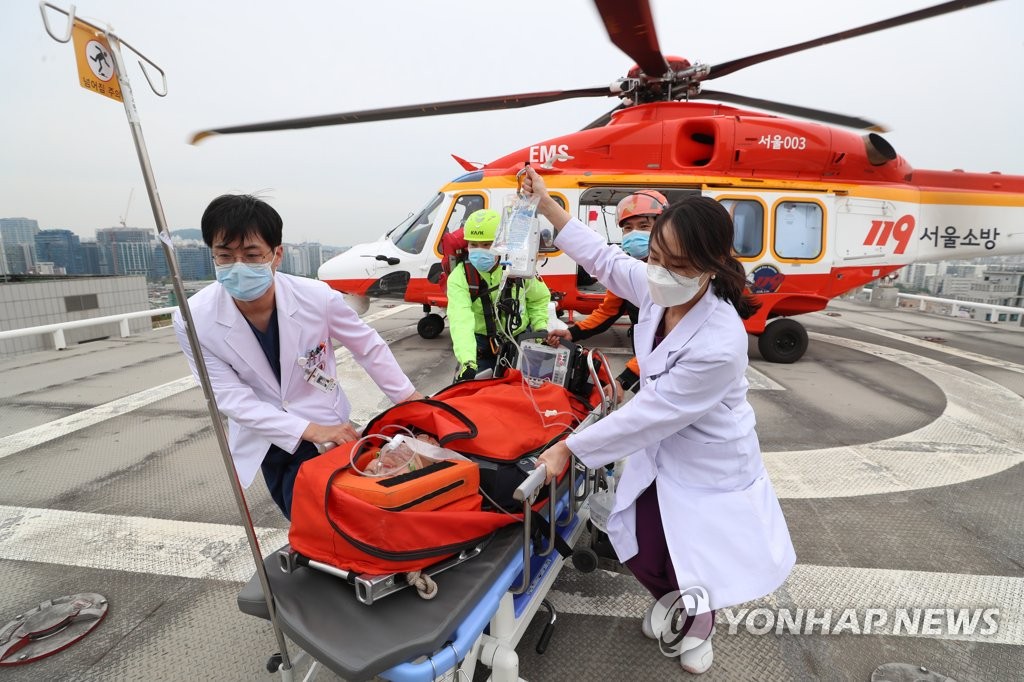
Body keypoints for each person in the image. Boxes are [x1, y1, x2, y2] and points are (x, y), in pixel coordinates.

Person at [522, 168, 795, 675]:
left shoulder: (720, 341)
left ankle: (697, 624)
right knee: (644, 541)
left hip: (706, 460)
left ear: (710, 267)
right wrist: (546, 204)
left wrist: (571, 448)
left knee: (693, 554)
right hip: (660, 447)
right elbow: (602, 258)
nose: (659, 271)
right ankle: (674, 602)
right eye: (654, 258)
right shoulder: (657, 290)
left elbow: (653, 413)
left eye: (677, 264)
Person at [172, 194, 423, 519]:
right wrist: (310, 430)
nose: (238, 267)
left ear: (277, 255)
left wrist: (410, 399)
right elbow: (229, 397)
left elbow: (367, 346)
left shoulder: (316, 297)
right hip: (271, 437)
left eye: (251, 255)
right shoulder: (194, 319)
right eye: (225, 256)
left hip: (330, 424)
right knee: (309, 517)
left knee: (350, 512)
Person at [547, 190, 667, 399]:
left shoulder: (674, 275)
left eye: (644, 226)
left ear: (664, 228)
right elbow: (607, 312)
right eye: (628, 228)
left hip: (670, 367)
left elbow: (665, 342)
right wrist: (572, 333)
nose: (634, 233)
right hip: (646, 361)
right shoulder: (628, 269)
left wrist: (623, 380)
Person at [446, 208, 551, 380]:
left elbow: (538, 299)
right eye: (473, 245)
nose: (479, 251)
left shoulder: (517, 268)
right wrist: (468, 362)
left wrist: (540, 330)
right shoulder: (460, 277)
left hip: (520, 342)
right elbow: (460, 319)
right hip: (482, 347)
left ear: (500, 243)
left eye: (486, 244)